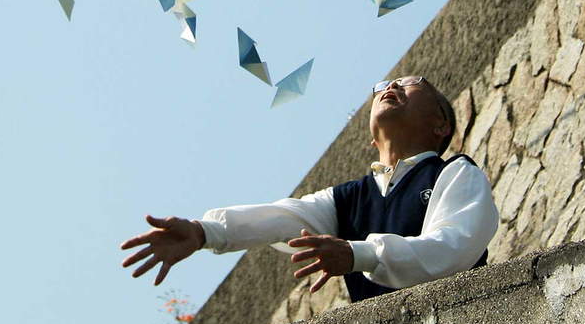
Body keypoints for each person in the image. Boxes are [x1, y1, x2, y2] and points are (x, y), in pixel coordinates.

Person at [119, 75, 499, 301]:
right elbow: (284, 218)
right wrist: (205, 232)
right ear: (370, 140)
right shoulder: (348, 199)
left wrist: (359, 255)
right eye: (384, 85)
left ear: (440, 126)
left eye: (412, 83)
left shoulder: (455, 174)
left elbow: (451, 250)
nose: (392, 85)